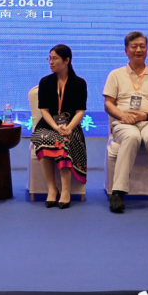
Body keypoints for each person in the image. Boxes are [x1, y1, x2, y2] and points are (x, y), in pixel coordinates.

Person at [103, 31, 148, 213]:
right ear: (126, 51)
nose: (138, 50)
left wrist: (144, 115)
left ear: (147, 50)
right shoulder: (115, 74)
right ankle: (117, 193)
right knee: (132, 137)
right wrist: (123, 116)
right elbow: (108, 104)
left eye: (142, 46)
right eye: (134, 46)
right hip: (124, 123)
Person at [31, 44, 88, 208]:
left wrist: (69, 128)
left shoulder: (80, 83)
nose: (51, 62)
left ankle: (65, 191)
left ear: (66, 60)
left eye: (55, 58)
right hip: (48, 125)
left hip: (71, 125)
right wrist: (56, 128)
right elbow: (44, 110)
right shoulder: (45, 82)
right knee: (43, 140)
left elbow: (80, 111)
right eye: (49, 58)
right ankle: (52, 188)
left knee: (63, 142)